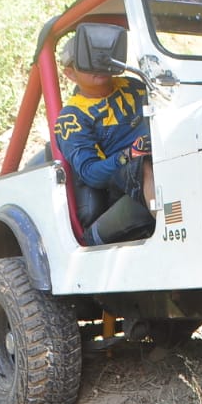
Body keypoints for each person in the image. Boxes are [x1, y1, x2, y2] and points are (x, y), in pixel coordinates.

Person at [54, 35, 155, 246]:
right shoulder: (71, 117)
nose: (96, 65)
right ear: (70, 74)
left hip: (161, 153)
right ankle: (174, 228)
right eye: (86, 61)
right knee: (147, 164)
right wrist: (130, 154)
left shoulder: (134, 85)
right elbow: (91, 174)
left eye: (101, 58)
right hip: (121, 184)